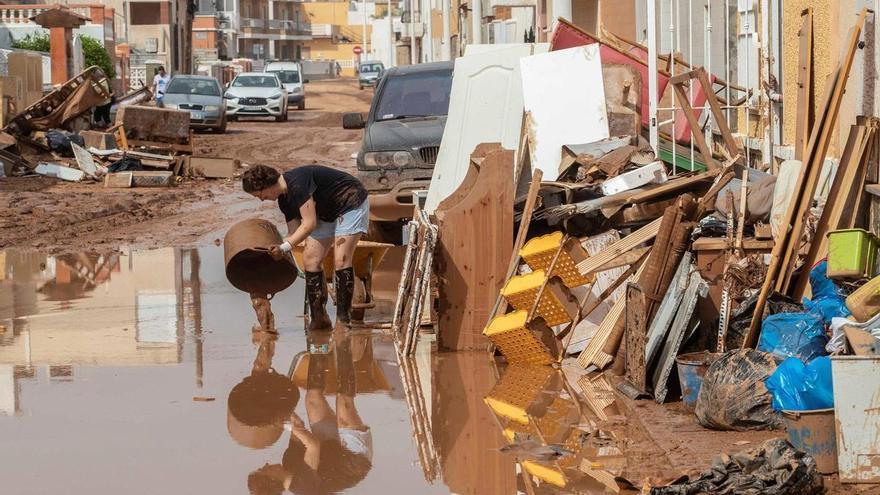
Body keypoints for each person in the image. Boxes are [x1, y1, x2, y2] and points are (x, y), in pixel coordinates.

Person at [242, 164, 369, 329]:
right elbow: (294, 233)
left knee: (341, 259)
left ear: (266, 185)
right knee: (310, 260)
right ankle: (319, 319)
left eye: (260, 195)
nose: (261, 199)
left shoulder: (297, 183)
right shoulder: (284, 200)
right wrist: (277, 248)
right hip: (325, 212)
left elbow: (309, 224)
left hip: (350, 202)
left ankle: (343, 321)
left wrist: (285, 247)